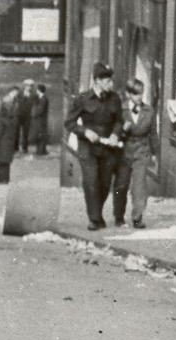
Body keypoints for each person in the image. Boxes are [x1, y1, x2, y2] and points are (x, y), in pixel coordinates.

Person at [65, 62, 125, 229]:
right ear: (97, 81)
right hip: (88, 147)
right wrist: (85, 132)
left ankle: (97, 212)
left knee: (105, 183)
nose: (110, 84)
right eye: (106, 81)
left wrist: (115, 134)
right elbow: (69, 123)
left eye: (111, 81)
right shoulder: (83, 99)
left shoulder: (115, 99)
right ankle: (94, 218)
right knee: (91, 181)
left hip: (108, 147)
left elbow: (119, 121)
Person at [112, 78, 155, 229]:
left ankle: (137, 217)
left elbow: (153, 133)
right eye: (136, 94)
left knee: (139, 185)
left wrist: (154, 153)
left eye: (141, 94)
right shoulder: (121, 110)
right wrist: (123, 129)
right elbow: (114, 132)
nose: (139, 97)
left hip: (142, 150)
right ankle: (118, 215)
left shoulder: (149, 111)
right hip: (124, 150)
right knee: (121, 184)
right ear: (128, 94)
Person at [0, 86, 22, 183]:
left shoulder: (2, 120)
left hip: (2, 142)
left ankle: (0, 179)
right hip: (10, 141)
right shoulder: (14, 120)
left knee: (1, 162)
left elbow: (0, 132)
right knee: (7, 162)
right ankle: (6, 179)